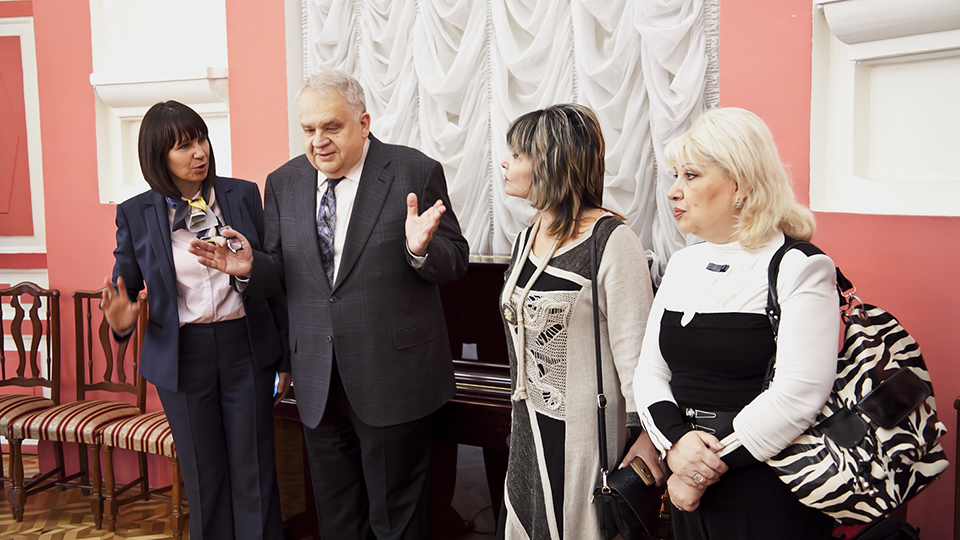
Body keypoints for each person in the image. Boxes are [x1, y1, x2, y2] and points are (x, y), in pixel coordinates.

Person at [189, 70, 469, 540]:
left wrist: (420, 249)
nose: (318, 141)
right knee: (338, 522)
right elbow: (284, 271)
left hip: (393, 378)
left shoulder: (413, 171)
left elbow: (456, 258)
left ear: (363, 123)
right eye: (308, 129)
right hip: (318, 378)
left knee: (396, 524)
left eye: (331, 127)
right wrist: (249, 269)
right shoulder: (284, 182)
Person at [632, 107, 839, 539]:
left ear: (741, 183)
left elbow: (798, 396)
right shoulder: (683, 263)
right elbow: (650, 372)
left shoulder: (799, 266)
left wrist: (697, 472)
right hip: (686, 477)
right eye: (675, 176)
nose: (673, 191)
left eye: (690, 176)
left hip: (765, 491)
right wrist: (675, 446)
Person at [100, 101, 289, 540]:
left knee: (255, 469)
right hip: (183, 358)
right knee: (204, 476)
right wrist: (121, 321)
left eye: (201, 139)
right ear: (158, 156)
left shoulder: (243, 194)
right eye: (184, 145)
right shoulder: (135, 213)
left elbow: (274, 276)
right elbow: (124, 289)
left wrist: (284, 357)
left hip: (247, 346)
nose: (199, 152)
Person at [496, 103, 662, 540]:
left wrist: (647, 437)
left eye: (517, 154)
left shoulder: (611, 240)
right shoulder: (527, 235)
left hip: (583, 435)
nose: (504, 163)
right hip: (527, 424)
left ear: (551, 161)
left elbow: (638, 356)